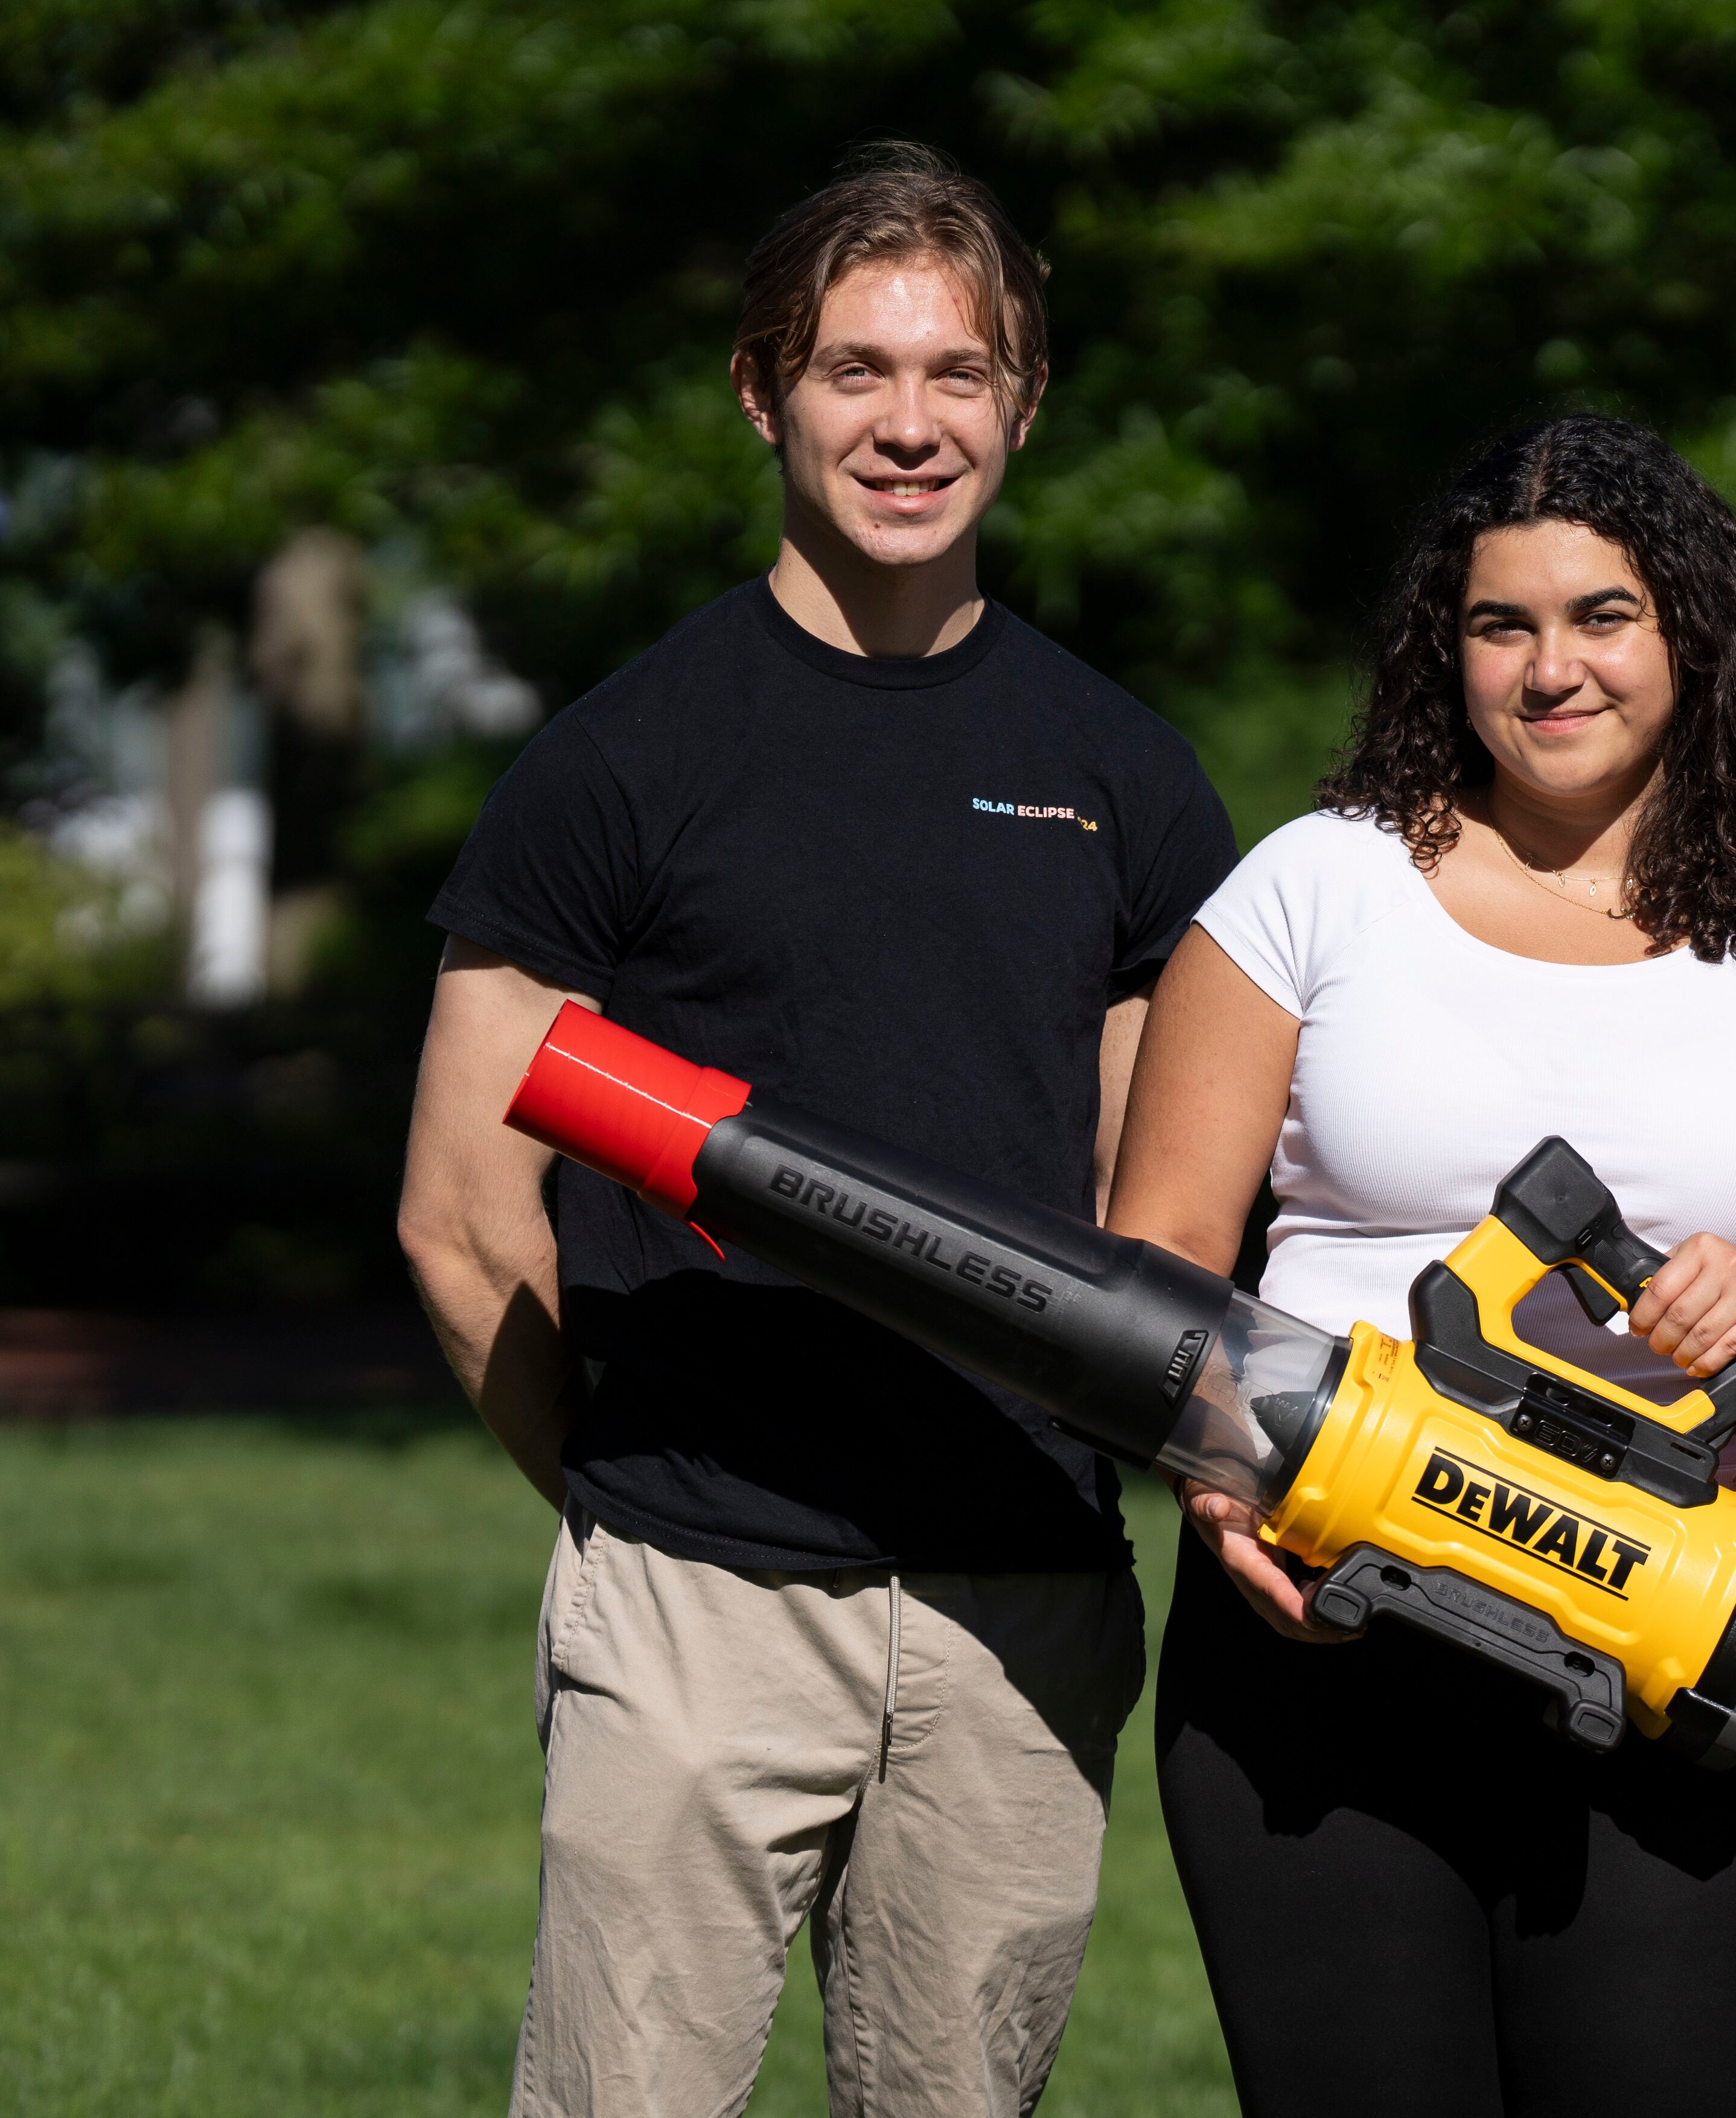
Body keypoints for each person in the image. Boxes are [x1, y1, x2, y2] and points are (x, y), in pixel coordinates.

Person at [394, 146, 1238, 2117]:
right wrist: (631, 1503)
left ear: (1026, 402)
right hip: (698, 1597)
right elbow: (461, 1213)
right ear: (762, 392)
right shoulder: (622, 760)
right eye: (856, 370)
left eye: (958, 373)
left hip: (1019, 1597)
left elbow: (1160, 1222)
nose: (909, 424)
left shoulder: (1125, 775)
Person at [1102, 414, 1736, 2117]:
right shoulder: (1313, 888)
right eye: (1502, 624)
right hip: (1320, 1623)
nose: (1550, 667)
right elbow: (1161, 1262)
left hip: (1682, 1637)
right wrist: (1217, 1486)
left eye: (1602, 617)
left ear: (1691, 635)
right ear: (1449, 650)